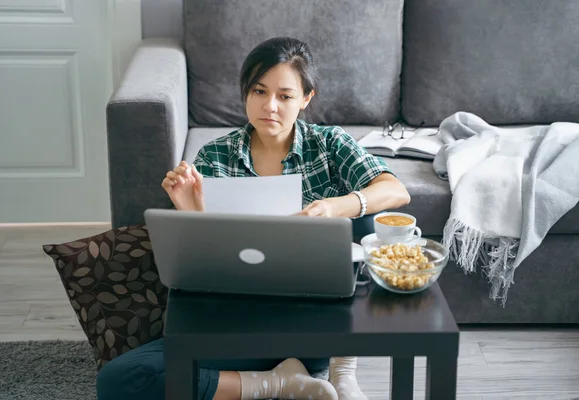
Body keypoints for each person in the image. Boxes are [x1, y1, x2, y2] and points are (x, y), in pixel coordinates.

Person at [97, 37, 410, 400]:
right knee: (119, 380)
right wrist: (189, 211)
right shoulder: (215, 155)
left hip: (318, 327)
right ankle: (278, 383)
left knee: (362, 215)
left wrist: (336, 206)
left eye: (285, 96)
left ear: (306, 98)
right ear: (245, 91)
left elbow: (395, 190)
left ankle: (342, 370)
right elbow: (204, 271)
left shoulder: (329, 145)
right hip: (240, 324)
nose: (270, 106)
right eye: (259, 91)